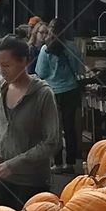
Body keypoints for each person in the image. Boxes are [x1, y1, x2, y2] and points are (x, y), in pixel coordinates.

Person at [0, 35, 61, 210]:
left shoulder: (43, 94)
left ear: (24, 61)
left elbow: (52, 141)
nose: (2, 71)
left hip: (32, 182)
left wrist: (14, 165)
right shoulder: (1, 87)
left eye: (7, 65)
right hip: (1, 179)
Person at [35, 18, 85, 174]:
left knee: (54, 129)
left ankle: (57, 163)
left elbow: (40, 73)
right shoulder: (72, 47)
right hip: (71, 91)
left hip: (52, 92)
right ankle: (70, 163)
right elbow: (80, 69)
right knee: (70, 127)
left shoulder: (45, 49)